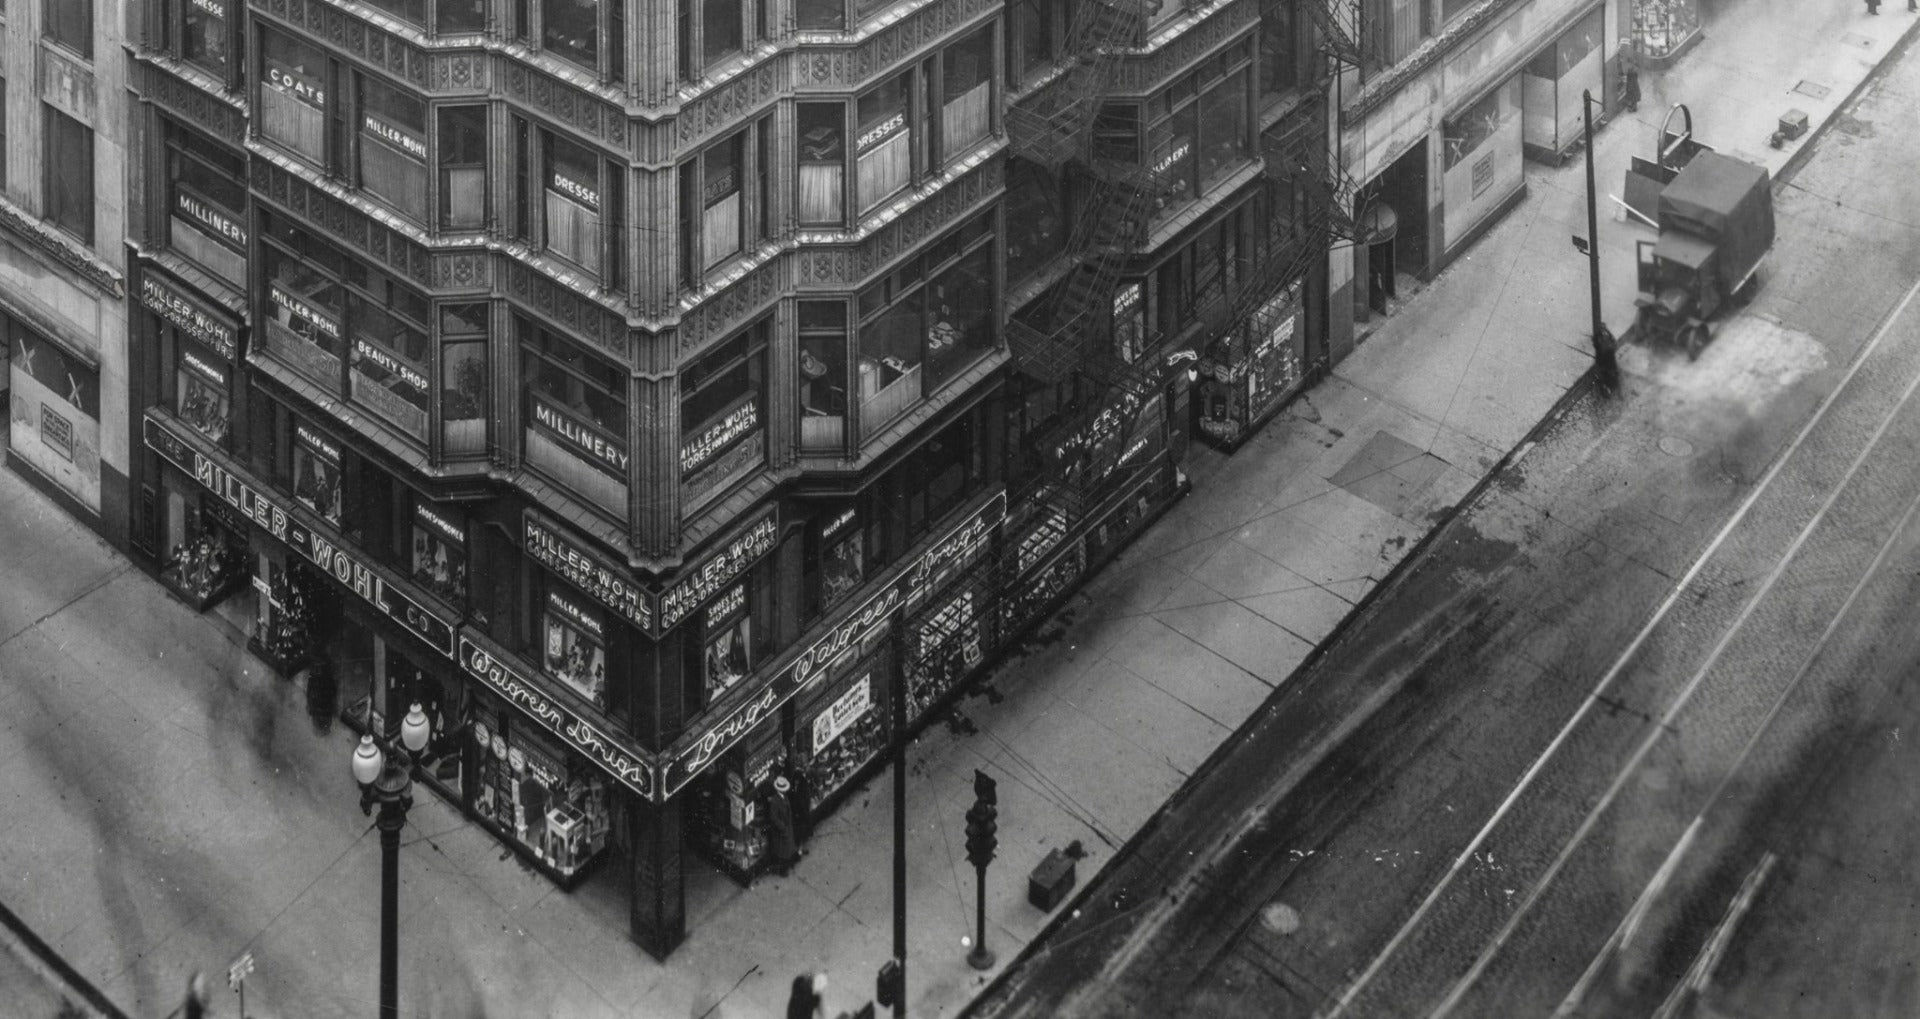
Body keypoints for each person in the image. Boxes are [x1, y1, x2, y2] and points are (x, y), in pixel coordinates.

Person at [767, 774, 800, 876]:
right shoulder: (775, 802)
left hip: (787, 826)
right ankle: (783, 870)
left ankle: (789, 862)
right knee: (783, 851)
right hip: (782, 830)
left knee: (788, 847)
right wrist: (783, 828)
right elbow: (774, 818)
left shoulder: (783, 797)